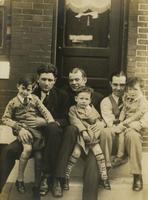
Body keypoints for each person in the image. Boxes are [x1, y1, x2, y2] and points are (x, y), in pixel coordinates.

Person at [0, 64, 69, 199]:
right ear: (38, 79)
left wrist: (45, 122)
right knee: (8, 151)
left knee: (48, 138)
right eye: (43, 79)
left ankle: (43, 183)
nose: (46, 83)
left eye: (50, 80)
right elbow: (11, 116)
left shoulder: (62, 95)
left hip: (49, 140)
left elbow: (66, 119)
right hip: (26, 134)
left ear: (55, 80)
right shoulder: (29, 90)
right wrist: (19, 130)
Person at [1, 76, 55, 199]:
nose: (25, 92)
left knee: (39, 154)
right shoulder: (13, 102)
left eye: (29, 89)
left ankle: (37, 187)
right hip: (23, 130)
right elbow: (5, 118)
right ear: (18, 87)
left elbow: (45, 111)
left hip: (36, 131)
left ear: (32, 89)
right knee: (27, 149)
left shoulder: (34, 99)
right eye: (23, 88)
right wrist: (16, 126)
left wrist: (50, 122)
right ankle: (20, 179)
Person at [100, 72, 148, 191]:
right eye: (115, 84)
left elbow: (145, 117)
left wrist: (139, 124)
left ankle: (137, 175)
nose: (118, 88)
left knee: (133, 135)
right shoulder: (106, 101)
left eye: (122, 85)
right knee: (105, 132)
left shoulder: (140, 100)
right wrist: (123, 123)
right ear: (111, 84)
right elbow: (112, 124)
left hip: (130, 134)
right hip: (116, 136)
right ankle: (105, 168)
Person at [62, 67, 104, 200]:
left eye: (77, 79)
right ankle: (61, 179)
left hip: (91, 139)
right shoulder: (64, 95)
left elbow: (104, 119)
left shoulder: (97, 97)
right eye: (71, 80)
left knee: (93, 162)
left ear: (84, 80)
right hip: (71, 140)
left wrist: (101, 123)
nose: (74, 83)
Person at [65, 86, 110, 190]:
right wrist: (83, 131)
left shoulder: (91, 109)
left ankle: (104, 177)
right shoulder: (73, 109)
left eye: (86, 99)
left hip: (92, 137)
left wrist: (90, 112)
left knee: (99, 155)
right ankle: (66, 177)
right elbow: (74, 121)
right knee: (75, 154)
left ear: (90, 100)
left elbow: (97, 120)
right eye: (81, 98)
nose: (84, 101)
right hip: (81, 137)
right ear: (76, 98)